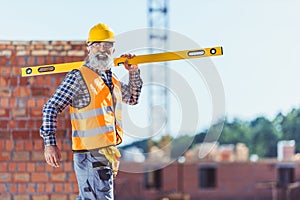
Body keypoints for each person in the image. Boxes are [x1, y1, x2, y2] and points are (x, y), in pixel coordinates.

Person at [40, 23, 143, 200]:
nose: (102, 49)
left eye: (107, 45)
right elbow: (51, 107)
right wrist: (50, 144)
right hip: (90, 154)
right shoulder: (78, 76)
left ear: (113, 49)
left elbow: (132, 98)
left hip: (106, 153)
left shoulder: (112, 79)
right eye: (96, 45)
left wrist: (134, 73)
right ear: (89, 48)